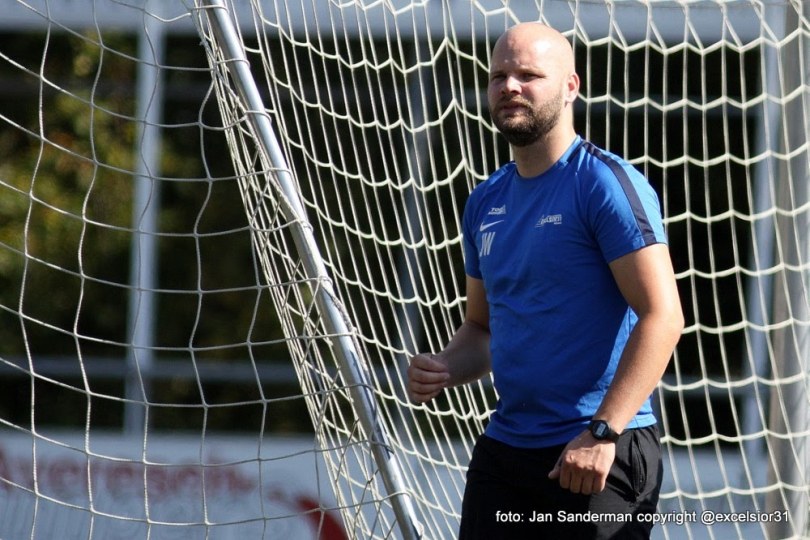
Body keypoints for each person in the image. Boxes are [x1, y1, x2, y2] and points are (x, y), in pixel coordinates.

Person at [407, 22, 684, 539]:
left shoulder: (603, 184)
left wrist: (602, 431)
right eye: (498, 76)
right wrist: (445, 366)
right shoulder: (485, 200)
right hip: (508, 451)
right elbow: (481, 328)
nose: (510, 86)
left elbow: (663, 315)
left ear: (571, 86)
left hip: (597, 450)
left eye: (529, 75)